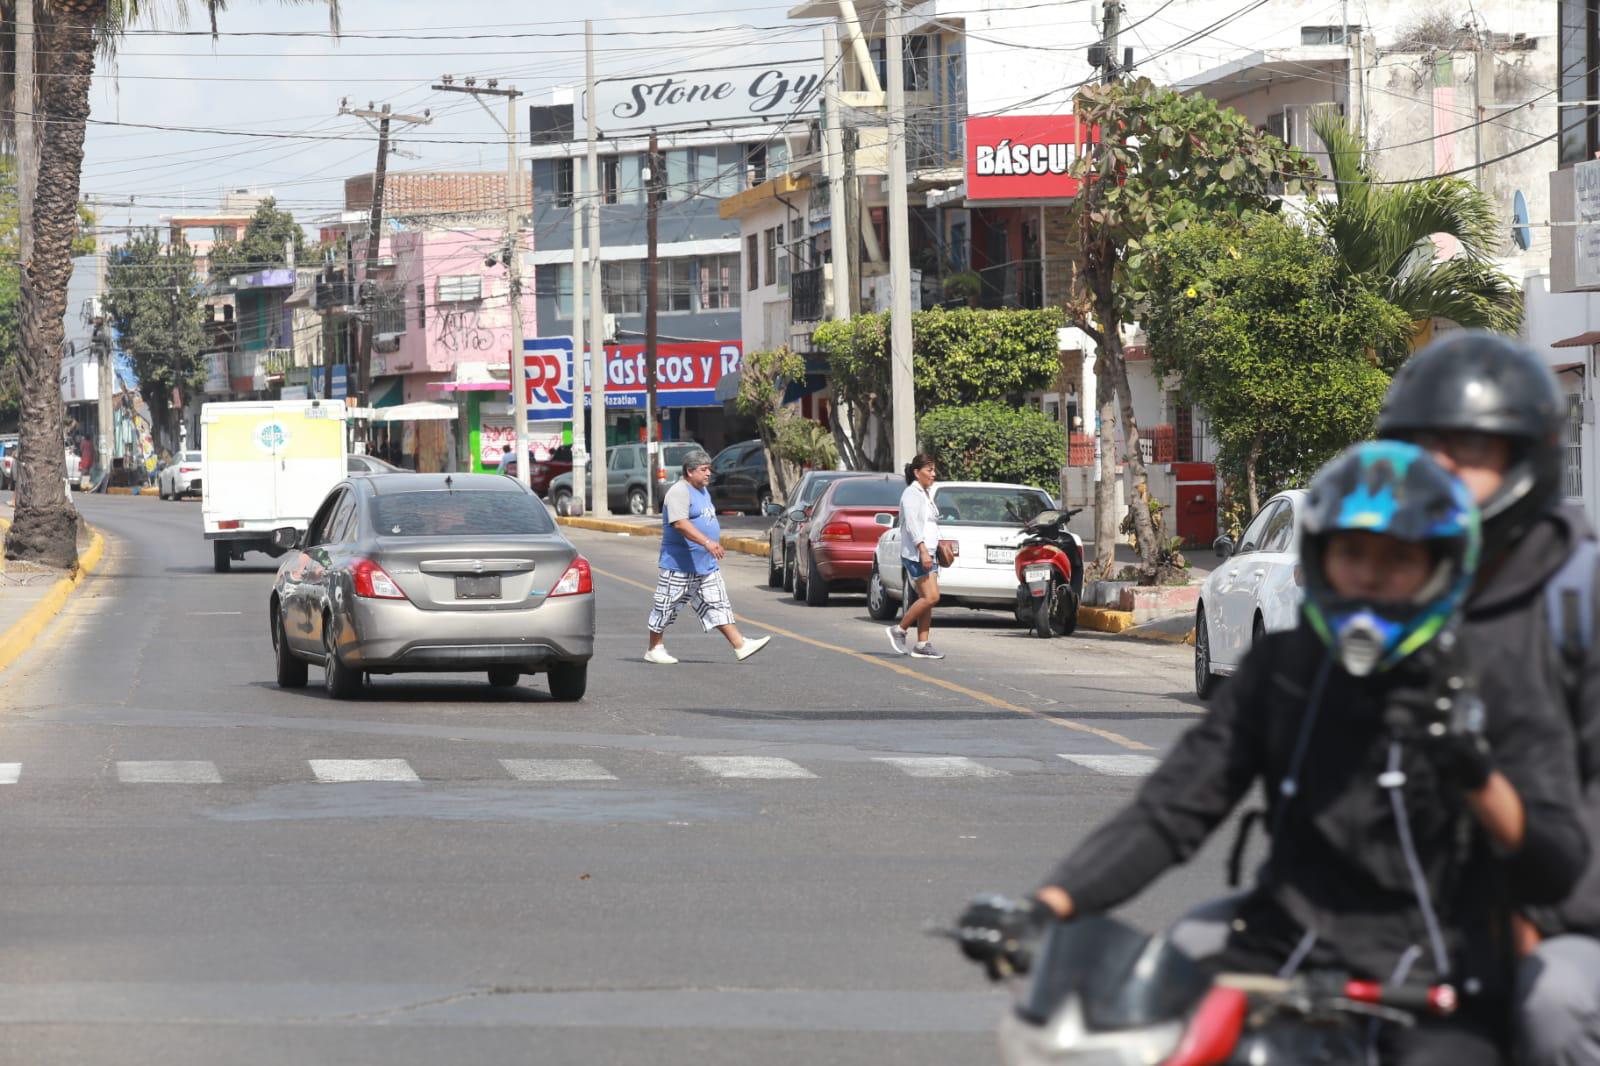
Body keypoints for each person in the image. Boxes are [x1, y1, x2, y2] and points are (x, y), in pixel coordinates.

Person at [957, 441, 1588, 1065]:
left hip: (1438, 966)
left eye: (1397, 559)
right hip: (1280, 947)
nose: (1368, 576)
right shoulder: (1285, 671)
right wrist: (1050, 906)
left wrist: (1470, 761)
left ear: (1442, 569)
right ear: (1320, 561)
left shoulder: (1495, 677)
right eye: (1350, 553)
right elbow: (1173, 807)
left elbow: (1554, 862)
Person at [1378, 332, 1600, 1066]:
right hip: (1428, 916)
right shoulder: (1392, 595)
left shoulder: (1581, 598)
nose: (1440, 471)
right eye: (1424, 449)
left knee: (1554, 1006)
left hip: (1568, 922)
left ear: (1522, 462)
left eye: (1468, 452)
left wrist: (1528, 917)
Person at [644, 449, 772, 666]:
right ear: (689, 471)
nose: (708, 474)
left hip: (705, 565)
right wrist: (707, 542)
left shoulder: (703, 491)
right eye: (703, 470)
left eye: (709, 469)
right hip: (680, 564)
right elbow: (680, 523)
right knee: (666, 606)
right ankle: (654, 648)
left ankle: (740, 645)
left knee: (718, 603)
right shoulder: (679, 492)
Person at [886, 453, 945, 660]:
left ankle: (922, 644)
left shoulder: (924, 493)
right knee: (932, 597)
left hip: (929, 552)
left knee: (926, 599)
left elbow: (930, 524)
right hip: (918, 554)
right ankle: (899, 629)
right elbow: (911, 525)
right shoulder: (911, 494)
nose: (933, 474)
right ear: (916, 472)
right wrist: (922, 551)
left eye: (934, 470)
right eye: (929, 470)